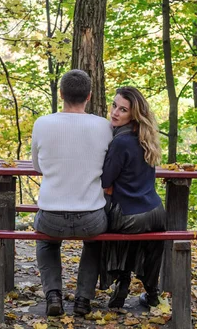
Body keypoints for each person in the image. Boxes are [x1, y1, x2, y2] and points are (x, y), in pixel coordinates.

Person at [31, 69, 113, 317]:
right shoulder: (104, 126)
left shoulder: (42, 123)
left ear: (61, 94)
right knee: (95, 243)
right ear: (89, 95)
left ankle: (53, 294)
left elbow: (37, 167)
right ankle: (83, 300)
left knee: (45, 241)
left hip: (51, 217)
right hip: (92, 218)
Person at [100, 86, 166, 309]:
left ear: (133, 114)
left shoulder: (120, 141)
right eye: (114, 105)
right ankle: (152, 293)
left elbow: (105, 180)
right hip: (157, 212)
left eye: (123, 109)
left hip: (130, 214)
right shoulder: (146, 138)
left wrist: (110, 187)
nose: (115, 112)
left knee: (106, 222)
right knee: (139, 231)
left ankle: (123, 281)